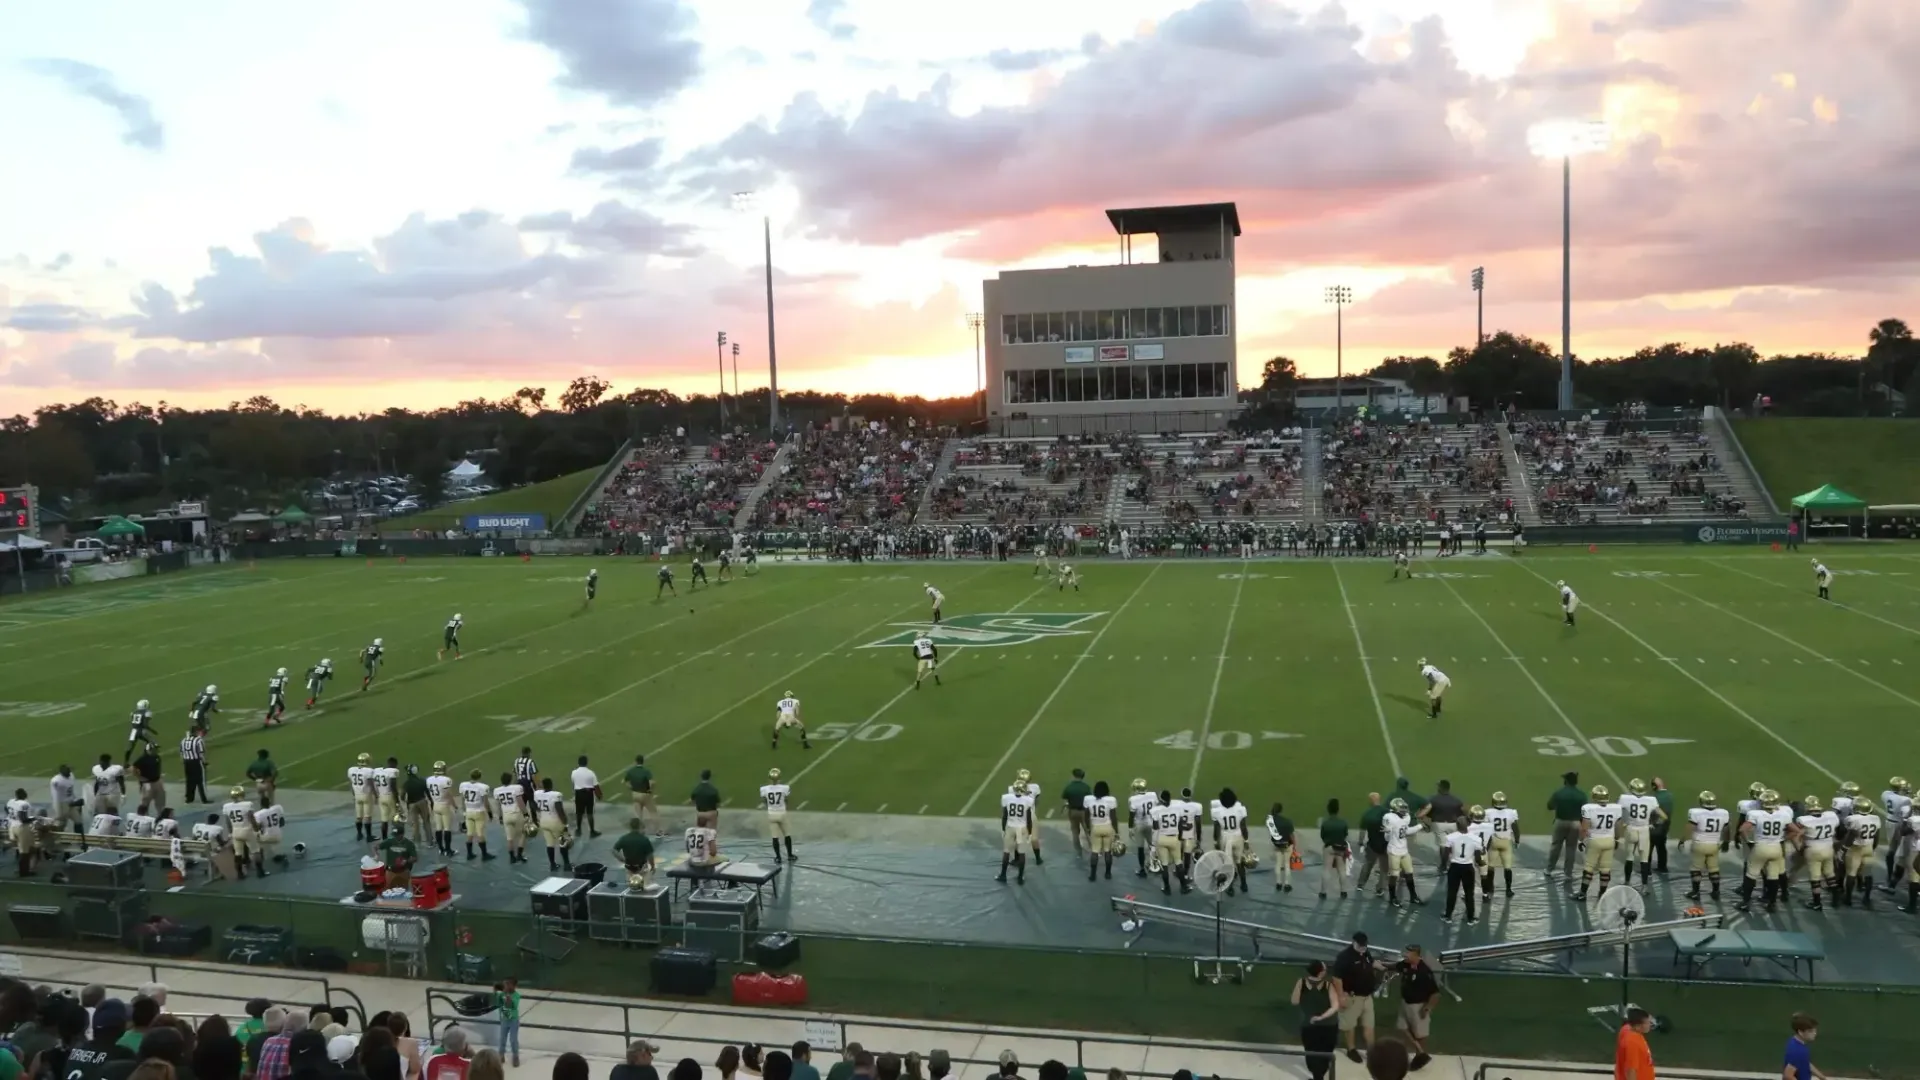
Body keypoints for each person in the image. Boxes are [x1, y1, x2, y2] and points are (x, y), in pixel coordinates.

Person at [1331, 932, 1382, 1063]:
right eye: (1360, 945)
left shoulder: (1365, 952)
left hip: (1367, 997)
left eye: (1364, 945)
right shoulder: (1345, 957)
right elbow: (1336, 978)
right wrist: (1341, 996)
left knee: (1369, 1025)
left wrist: (1381, 966)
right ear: (1353, 942)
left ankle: (1372, 1052)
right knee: (1350, 1025)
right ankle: (1351, 1049)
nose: (1363, 948)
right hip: (1352, 997)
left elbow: (1371, 963)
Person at [1291, 959, 1342, 1080]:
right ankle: (1319, 1077)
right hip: (1328, 1025)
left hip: (1309, 1025)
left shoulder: (1301, 982)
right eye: (1324, 969)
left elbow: (1294, 1001)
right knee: (1325, 1052)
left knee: (1311, 1052)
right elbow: (1335, 1006)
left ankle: (1317, 1077)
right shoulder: (1328, 985)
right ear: (1320, 973)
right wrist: (1321, 1017)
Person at [1392, 946, 1439, 1070]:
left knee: (1420, 1034)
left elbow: (1435, 993)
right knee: (1401, 1027)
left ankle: (1419, 1058)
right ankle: (1421, 1053)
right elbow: (1394, 966)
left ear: (1416, 955)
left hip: (1418, 1006)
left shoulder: (1425, 972)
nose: (1405, 955)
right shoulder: (1405, 965)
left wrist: (1428, 1008)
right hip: (1405, 1003)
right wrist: (1379, 965)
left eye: (1408, 953)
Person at [1547, 772, 1587, 878]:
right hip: (1575, 823)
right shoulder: (1581, 795)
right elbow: (1585, 812)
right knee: (1571, 848)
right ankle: (1568, 873)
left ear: (1566, 781)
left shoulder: (1559, 793)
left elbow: (1550, 806)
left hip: (1560, 821)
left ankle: (1549, 869)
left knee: (1556, 846)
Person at [1615, 1008, 1655, 1080]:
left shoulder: (1636, 1034)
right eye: (1648, 1023)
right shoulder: (1632, 1043)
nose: (1650, 1025)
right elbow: (1631, 1070)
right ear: (1638, 1026)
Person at [1783, 1013, 1824, 1080]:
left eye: (1815, 1031)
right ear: (1800, 1032)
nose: (1815, 1033)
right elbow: (1788, 1076)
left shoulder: (1796, 1042)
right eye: (1810, 1031)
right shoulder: (1797, 1050)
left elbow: (1804, 1062)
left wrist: (1822, 1077)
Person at [493, 981, 520, 1068]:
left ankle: (515, 1056)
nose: (507, 986)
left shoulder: (516, 995)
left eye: (509, 984)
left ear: (514, 986)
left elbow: (510, 1005)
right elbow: (497, 1004)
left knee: (513, 1040)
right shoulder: (502, 994)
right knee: (502, 1039)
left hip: (513, 1020)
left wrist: (508, 998)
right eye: (505, 984)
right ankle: (501, 1055)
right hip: (504, 1019)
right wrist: (496, 993)